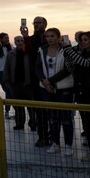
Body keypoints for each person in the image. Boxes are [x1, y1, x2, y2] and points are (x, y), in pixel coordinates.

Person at [36, 27, 75, 156]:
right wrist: (44, 81)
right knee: (52, 118)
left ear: (58, 37)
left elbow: (67, 69)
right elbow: (37, 67)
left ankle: (68, 145)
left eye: (52, 36)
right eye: (47, 36)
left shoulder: (66, 50)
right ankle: (55, 143)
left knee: (66, 118)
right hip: (46, 88)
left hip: (63, 88)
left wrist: (50, 80)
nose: (50, 39)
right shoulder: (42, 50)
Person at [21, 16, 50, 147]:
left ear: (45, 24)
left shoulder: (50, 37)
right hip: (36, 79)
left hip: (51, 78)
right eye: (35, 23)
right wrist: (25, 36)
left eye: (39, 22)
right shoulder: (31, 39)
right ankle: (43, 137)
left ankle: (54, 137)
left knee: (53, 110)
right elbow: (28, 51)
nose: (36, 25)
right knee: (40, 109)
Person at [64, 31, 90, 161]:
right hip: (81, 91)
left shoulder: (85, 56)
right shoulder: (81, 53)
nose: (83, 42)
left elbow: (85, 63)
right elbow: (71, 68)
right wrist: (67, 55)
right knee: (86, 122)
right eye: (82, 40)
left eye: (86, 39)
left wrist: (69, 50)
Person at [4, 36, 36, 131]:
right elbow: (7, 68)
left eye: (22, 40)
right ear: (15, 42)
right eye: (18, 41)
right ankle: (19, 123)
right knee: (18, 105)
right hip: (15, 83)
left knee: (31, 105)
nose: (20, 42)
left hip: (27, 84)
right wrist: (7, 81)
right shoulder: (11, 54)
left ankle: (33, 123)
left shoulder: (28, 53)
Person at [0, 32, 14, 119]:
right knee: (8, 91)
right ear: (0, 39)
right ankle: (7, 111)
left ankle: (8, 111)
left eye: (8, 38)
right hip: (2, 73)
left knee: (10, 92)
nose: (7, 39)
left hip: (11, 73)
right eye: (5, 38)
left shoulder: (11, 48)